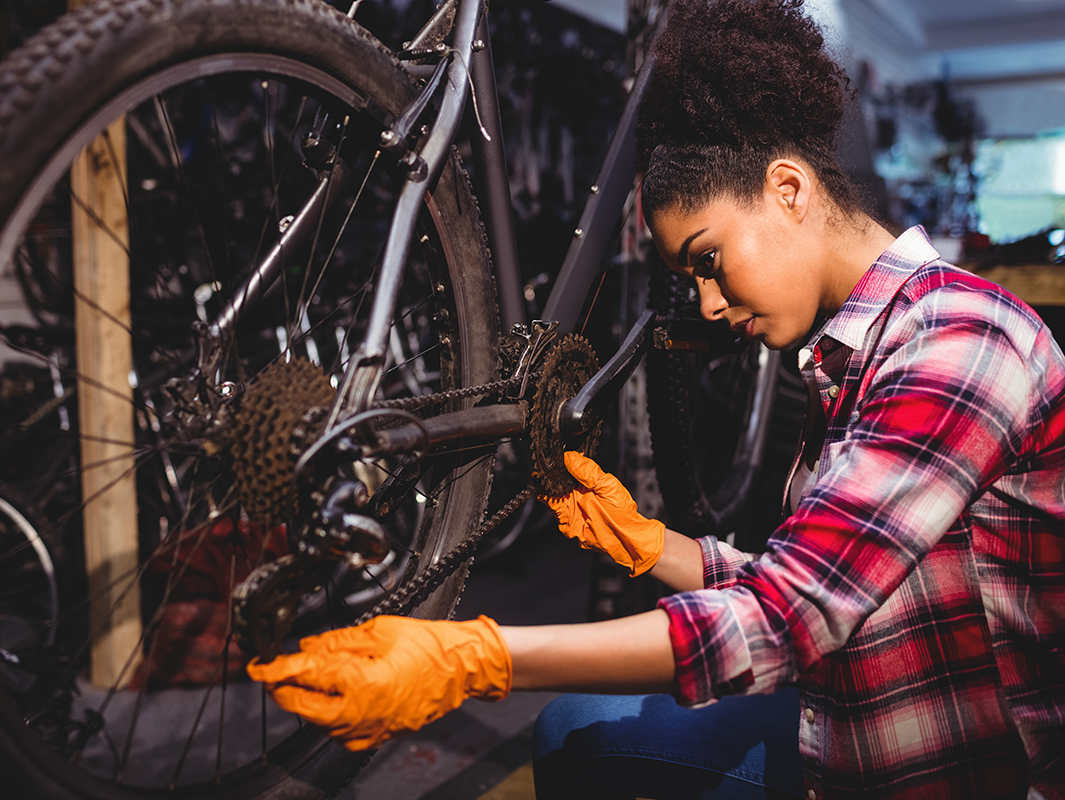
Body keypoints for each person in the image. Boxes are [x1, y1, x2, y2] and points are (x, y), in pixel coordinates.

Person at [247, 0, 1065, 797]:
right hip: (849, 729)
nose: (708, 303)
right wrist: (656, 547)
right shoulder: (860, 350)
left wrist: (477, 659)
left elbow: (789, 618)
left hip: (947, 768)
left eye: (709, 259)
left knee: (574, 727)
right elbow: (841, 579)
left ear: (788, 189)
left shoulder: (959, 341)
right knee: (574, 730)